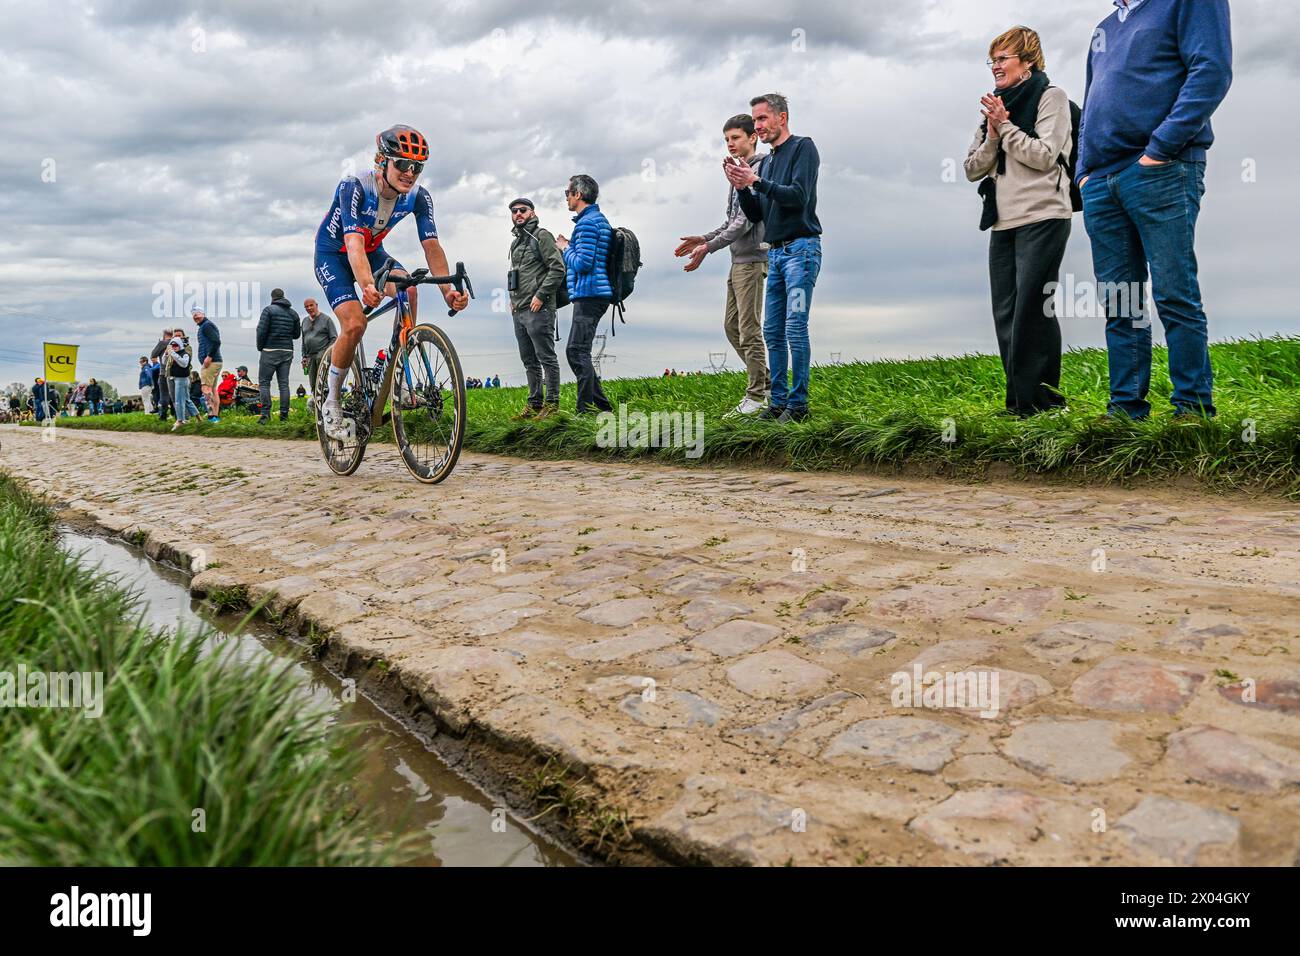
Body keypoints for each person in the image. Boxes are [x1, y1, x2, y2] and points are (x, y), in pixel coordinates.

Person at [1078, 0, 1232, 420]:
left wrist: (1161, 148)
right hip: (1101, 179)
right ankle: (1125, 412)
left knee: (1174, 292)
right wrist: (1083, 171)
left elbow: (1212, 71)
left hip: (1161, 169)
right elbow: (1090, 101)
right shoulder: (1105, 26)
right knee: (1121, 301)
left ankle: (1192, 410)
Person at [314, 124, 469, 440]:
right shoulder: (355, 186)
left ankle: (398, 371)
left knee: (408, 288)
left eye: (417, 167)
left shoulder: (418, 197)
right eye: (402, 164)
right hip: (334, 255)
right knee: (356, 324)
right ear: (381, 160)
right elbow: (353, 243)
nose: (410, 173)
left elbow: (432, 246)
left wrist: (448, 291)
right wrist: (367, 285)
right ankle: (330, 402)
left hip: (372, 253)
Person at [964, 26, 1073, 417]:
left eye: (1003, 58)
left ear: (1028, 62)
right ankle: (1019, 403)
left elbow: (1044, 155)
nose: (995, 66)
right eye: (992, 60)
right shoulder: (994, 108)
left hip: (1044, 215)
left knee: (1033, 307)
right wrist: (993, 133)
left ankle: (1044, 402)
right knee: (1007, 312)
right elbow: (972, 168)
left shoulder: (1051, 97)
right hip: (1003, 222)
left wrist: (1006, 126)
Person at [730, 93, 822, 423]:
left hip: (801, 249)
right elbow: (758, 213)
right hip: (777, 253)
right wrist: (742, 186)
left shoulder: (803, 148)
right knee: (772, 331)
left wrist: (757, 181)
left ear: (781, 118)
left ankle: (799, 406)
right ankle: (778, 404)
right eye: (755, 120)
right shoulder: (767, 162)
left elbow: (798, 197)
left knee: (795, 327)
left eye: (762, 119)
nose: (757, 126)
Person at [677, 113, 770, 417]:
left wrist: (709, 248)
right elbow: (730, 221)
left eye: (736, 138)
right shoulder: (735, 173)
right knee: (732, 328)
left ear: (752, 137)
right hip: (737, 261)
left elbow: (744, 223)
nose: (730, 144)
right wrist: (703, 238)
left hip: (753, 261)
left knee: (749, 329)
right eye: (727, 139)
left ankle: (758, 396)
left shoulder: (757, 170)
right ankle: (767, 383)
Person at [556, 174, 614, 415]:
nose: (566, 199)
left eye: (567, 194)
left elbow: (582, 264)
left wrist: (565, 247)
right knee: (579, 351)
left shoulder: (588, 223)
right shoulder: (595, 220)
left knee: (576, 351)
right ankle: (601, 408)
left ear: (578, 194)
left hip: (590, 294)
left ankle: (586, 409)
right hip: (593, 293)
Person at [507, 197, 565, 419]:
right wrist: (512, 299)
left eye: (523, 210)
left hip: (539, 308)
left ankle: (551, 406)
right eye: (514, 211)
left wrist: (541, 296)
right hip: (519, 310)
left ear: (532, 212)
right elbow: (517, 273)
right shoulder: (516, 243)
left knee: (546, 357)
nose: (518, 214)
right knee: (529, 360)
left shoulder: (542, 236)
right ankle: (534, 406)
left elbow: (557, 269)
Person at [256, 287, 301, 424]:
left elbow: (261, 331)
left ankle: (265, 415)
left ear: (272, 297)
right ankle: (284, 416)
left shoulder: (268, 310)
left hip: (270, 350)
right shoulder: (293, 313)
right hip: (287, 351)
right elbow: (296, 335)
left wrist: (260, 347)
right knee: (284, 384)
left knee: (264, 383)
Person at [300, 298, 337, 407]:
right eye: (306, 307)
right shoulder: (305, 321)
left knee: (322, 381)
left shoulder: (326, 319)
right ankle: (316, 406)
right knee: (313, 382)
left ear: (316, 305)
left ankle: (327, 405)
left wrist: (326, 353)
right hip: (310, 356)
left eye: (311, 305)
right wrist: (304, 356)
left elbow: (334, 338)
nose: (309, 308)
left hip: (322, 354)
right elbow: (304, 340)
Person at [167, 336, 200, 429]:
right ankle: (199, 418)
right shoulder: (174, 353)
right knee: (187, 400)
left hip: (182, 379)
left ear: (180, 345)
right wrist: (166, 354)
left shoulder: (184, 354)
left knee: (178, 401)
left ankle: (180, 420)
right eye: (172, 345)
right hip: (176, 379)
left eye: (176, 345)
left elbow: (184, 364)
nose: (174, 347)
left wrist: (173, 354)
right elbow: (164, 362)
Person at [150, 328, 173, 421]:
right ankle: (175, 414)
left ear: (164, 334)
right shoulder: (177, 342)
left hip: (164, 372)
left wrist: (160, 343)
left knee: (164, 394)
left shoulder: (162, 343)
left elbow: (153, 354)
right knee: (174, 394)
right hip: (176, 372)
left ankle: (163, 416)